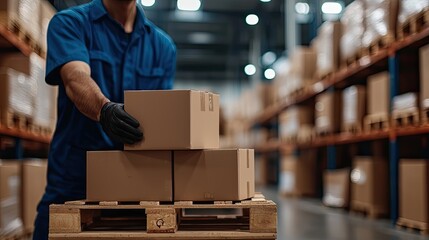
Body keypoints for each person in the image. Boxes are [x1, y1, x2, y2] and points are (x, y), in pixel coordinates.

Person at [32, 0, 176, 239]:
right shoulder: (71, 23)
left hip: (138, 186)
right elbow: (75, 78)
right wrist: (104, 110)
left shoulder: (163, 47)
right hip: (76, 183)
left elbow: (161, 112)